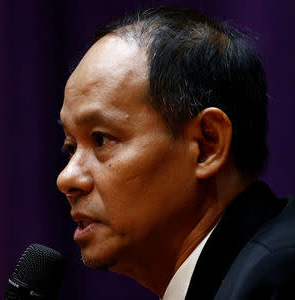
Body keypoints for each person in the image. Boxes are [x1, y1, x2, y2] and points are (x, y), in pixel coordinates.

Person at [56, 7, 295, 300]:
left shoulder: (277, 280)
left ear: (207, 146)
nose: (66, 178)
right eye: (70, 147)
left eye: (101, 140)